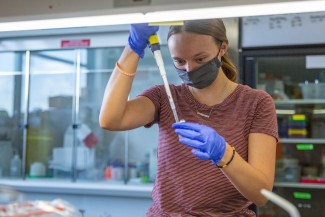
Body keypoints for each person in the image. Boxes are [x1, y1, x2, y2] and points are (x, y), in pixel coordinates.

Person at [99, 19, 278, 217]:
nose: (189, 69)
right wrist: (132, 47)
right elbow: (110, 119)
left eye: (200, 59)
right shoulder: (165, 97)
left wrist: (224, 155)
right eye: (179, 61)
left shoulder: (256, 103)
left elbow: (261, 195)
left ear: (223, 47)